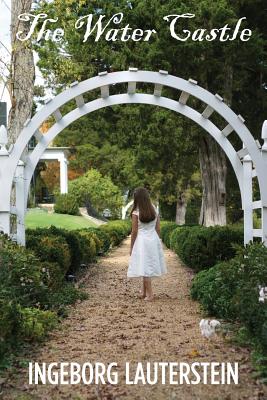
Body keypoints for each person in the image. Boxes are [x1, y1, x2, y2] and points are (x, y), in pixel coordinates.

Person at [127, 187, 166, 301]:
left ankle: (150, 294)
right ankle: (143, 292)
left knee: (145, 267)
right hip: (153, 239)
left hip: (142, 241)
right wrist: (157, 241)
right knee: (146, 265)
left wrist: (132, 246)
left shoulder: (136, 212)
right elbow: (158, 228)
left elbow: (134, 232)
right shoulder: (154, 209)